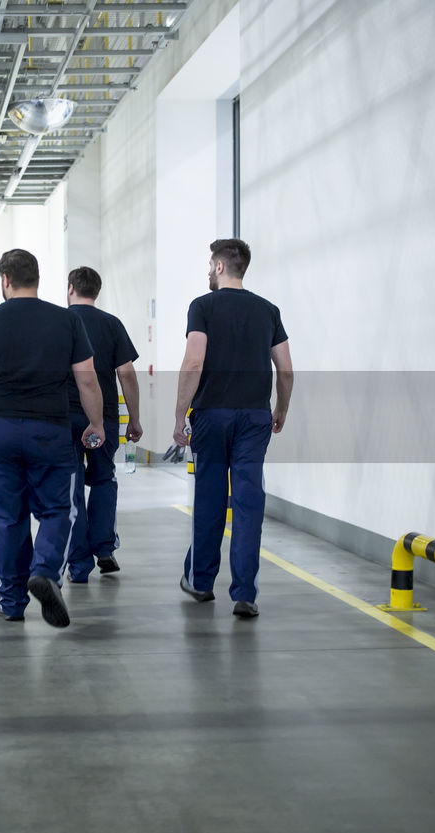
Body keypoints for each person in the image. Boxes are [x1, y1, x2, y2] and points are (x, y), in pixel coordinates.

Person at [0, 249, 103, 628]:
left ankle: (12, 602)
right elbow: (87, 379)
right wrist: (96, 423)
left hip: (0, 430)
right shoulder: (66, 322)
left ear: (5, 280)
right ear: (38, 278)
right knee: (58, 509)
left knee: (6, 516)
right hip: (50, 429)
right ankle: (46, 570)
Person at [173, 239, 293, 618]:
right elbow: (286, 369)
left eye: (211, 264)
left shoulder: (203, 306)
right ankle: (244, 594)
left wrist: (180, 414)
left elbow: (194, 361)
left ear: (220, 267)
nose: (208, 271)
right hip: (254, 418)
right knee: (247, 502)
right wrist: (281, 409)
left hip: (212, 415)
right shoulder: (268, 311)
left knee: (209, 499)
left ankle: (201, 582)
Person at [64, 266, 143, 581]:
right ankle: (105, 548)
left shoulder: (61, 323)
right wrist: (134, 417)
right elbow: (126, 374)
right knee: (103, 479)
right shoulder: (112, 324)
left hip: (66, 418)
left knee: (70, 488)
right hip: (104, 418)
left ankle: (79, 565)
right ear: (96, 291)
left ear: (71, 288)